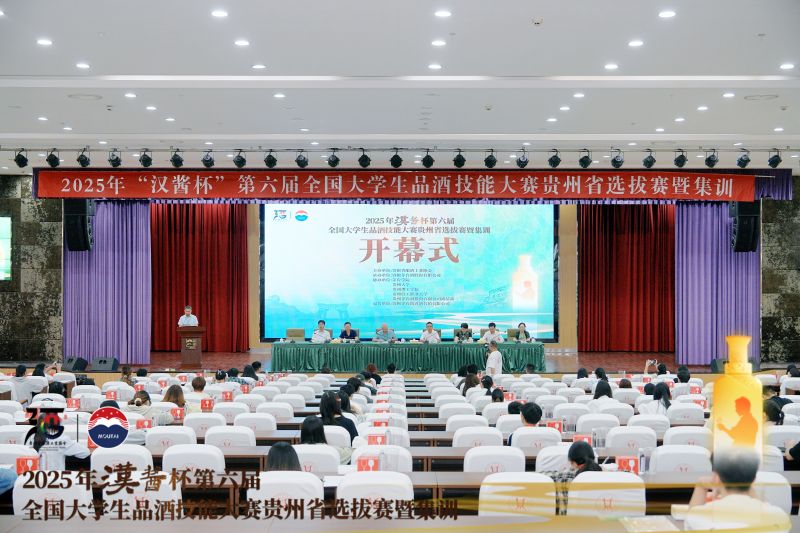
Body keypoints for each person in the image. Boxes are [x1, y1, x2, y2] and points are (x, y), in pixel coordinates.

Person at [685, 448, 789, 531]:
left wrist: (700, 486)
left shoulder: (701, 517)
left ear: (716, 478)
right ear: (754, 478)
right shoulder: (778, 516)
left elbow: (690, 521)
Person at [540, 441, 603, 515]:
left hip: (568, 521)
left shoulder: (563, 477)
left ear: (572, 462)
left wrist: (564, 471)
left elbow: (540, 476)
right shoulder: (604, 477)